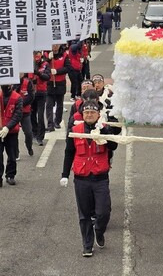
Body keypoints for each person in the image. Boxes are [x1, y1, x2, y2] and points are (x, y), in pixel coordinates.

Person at [60, 100, 118, 257]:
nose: (90, 115)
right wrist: (64, 174)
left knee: (103, 212)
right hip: (82, 178)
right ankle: (87, 244)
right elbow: (69, 152)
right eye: (86, 112)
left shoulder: (104, 128)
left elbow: (114, 147)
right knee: (84, 214)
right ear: (82, 114)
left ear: (98, 114)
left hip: (100, 178)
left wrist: (104, 134)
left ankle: (99, 231)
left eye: (93, 112)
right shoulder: (76, 130)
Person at [0, 85, 23, 189]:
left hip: (11, 132)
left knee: (11, 155)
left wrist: (8, 127)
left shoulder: (17, 97)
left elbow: (18, 115)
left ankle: (10, 175)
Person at [46, 44, 72, 131]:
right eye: (53, 44)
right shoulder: (46, 54)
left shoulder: (64, 55)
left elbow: (68, 68)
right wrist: (48, 59)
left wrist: (57, 71)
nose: (55, 46)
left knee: (59, 104)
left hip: (60, 83)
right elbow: (42, 66)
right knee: (49, 104)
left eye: (57, 44)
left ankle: (57, 121)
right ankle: (50, 124)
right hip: (49, 83)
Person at [31, 51, 51, 146]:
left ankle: (40, 137)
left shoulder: (45, 64)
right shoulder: (28, 64)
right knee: (31, 115)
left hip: (41, 93)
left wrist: (38, 73)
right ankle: (34, 133)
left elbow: (47, 77)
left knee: (40, 116)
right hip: (31, 93)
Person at [13, 73, 35, 159]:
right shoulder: (11, 84)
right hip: (13, 112)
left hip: (25, 112)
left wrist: (20, 103)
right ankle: (16, 153)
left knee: (28, 132)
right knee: (14, 134)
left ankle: (29, 147)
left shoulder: (28, 82)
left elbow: (31, 97)